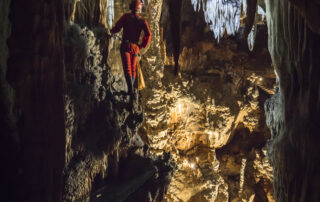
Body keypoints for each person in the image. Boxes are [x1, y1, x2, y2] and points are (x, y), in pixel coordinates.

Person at [110, 0, 151, 96]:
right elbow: (148, 34)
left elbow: (117, 28)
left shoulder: (126, 17)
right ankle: (131, 90)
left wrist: (110, 31)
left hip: (126, 46)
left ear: (131, 7)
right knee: (133, 68)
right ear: (140, 8)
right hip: (135, 47)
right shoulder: (142, 21)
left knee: (127, 68)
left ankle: (130, 90)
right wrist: (142, 45)